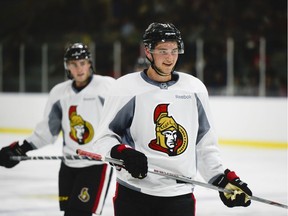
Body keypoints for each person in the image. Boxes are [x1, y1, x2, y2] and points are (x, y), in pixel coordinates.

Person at [91, 23, 252, 216]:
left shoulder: (194, 88)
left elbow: (204, 145)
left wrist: (221, 179)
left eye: (174, 50)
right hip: (134, 193)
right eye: (163, 51)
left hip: (179, 196)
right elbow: (102, 139)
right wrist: (122, 153)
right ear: (148, 51)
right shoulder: (126, 89)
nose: (170, 57)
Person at [0, 43, 115, 216]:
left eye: (82, 63)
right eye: (73, 64)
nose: (79, 68)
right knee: (69, 213)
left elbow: (123, 119)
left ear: (90, 63)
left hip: (96, 164)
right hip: (69, 164)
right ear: (67, 66)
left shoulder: (107, 87)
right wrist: (21, 148)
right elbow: (48, 130)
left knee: (78, 214)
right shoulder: (60, 93)